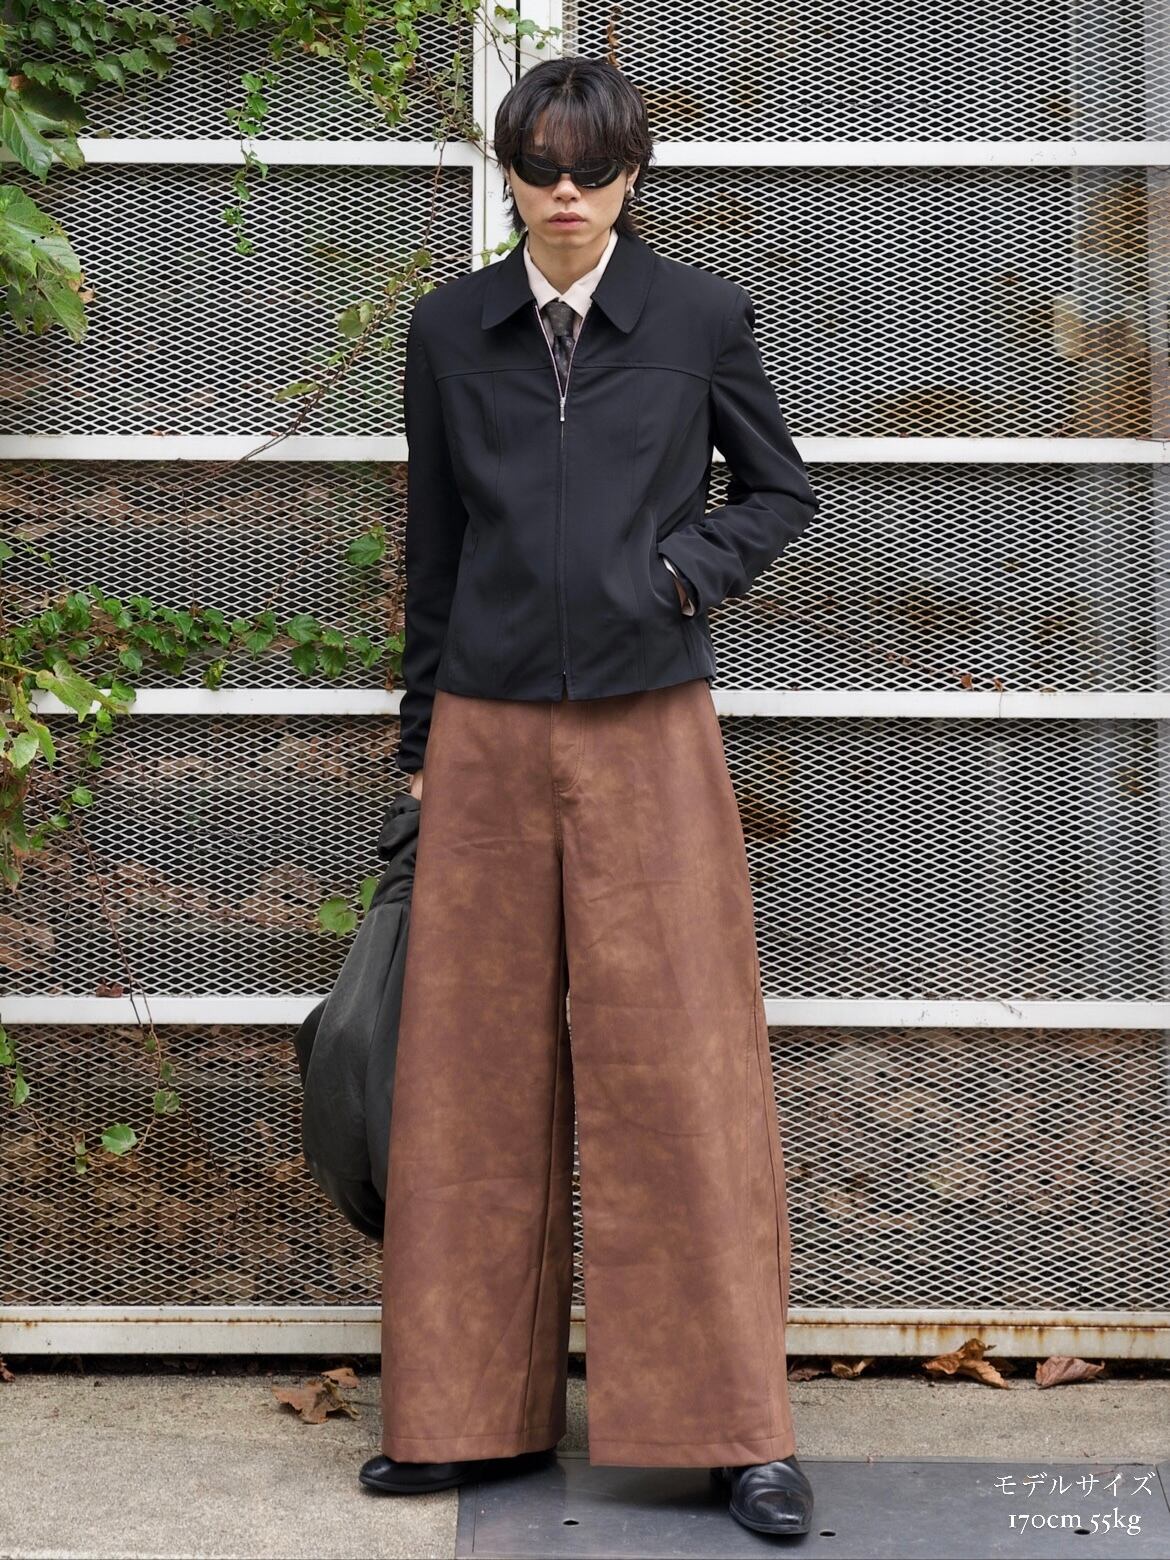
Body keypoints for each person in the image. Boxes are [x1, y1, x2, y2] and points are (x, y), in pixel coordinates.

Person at [359, 55, 821, 1539]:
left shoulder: (697, 318)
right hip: (487, 732)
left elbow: (779, 491)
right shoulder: (451, 327)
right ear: (506, 174)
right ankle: (460, 1415)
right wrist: (423, 736)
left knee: (681, 1064)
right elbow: (434, 544)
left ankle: (733, 1432)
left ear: (631, 177)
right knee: (465, 1078)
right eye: (540, 168)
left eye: (593, 169)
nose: (566, 193)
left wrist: (680, 574)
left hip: (648, 728)